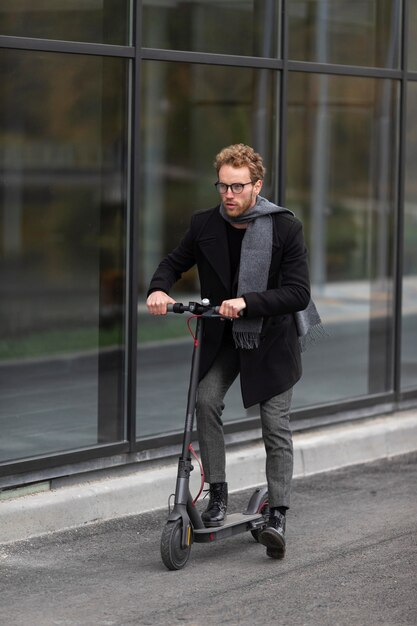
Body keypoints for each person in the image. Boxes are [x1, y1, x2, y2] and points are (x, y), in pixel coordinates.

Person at [146, 143, 311, 559]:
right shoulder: (204, 224)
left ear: (258, 185)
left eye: (238, 186)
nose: (229, 195)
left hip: (270, 339)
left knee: (274, 425)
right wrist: (159, 288)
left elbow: (298, 292)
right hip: (225, 337)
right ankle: (217, 493)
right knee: (205, 399)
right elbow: (173, 261)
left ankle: (278, 513)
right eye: (223, 186)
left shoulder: (285, 228)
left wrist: (248, 302)